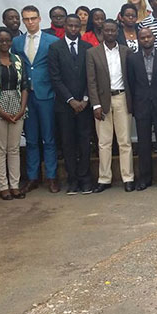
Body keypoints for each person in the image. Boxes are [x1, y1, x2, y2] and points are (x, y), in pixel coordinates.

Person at [12, 5, 60, 193]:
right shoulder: (17, 42)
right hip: (26, 96)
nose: (30, 22)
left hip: (46, 94)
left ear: (39, 19)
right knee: (31, 139)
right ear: (23, 21)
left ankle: (52, 176)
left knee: (49, 138)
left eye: (33, 18)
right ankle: (33, 177)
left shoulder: (52, 41)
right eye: (26, 19)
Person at [86, 19, 135, 193]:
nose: (110, 33)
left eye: (113, 30)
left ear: (117, 32)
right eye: (107, 30)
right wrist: (95, 105)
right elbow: (91, 81)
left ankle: (128, 177)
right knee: (104, 142)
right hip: (102, 101)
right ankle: (104, 179)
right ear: (102, 32)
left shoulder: (126, 51)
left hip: (122, 98)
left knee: (125, 141)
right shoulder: (92, 53)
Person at [48, 14, 94, 195]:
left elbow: (91, 76)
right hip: (64, 105)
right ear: (65, 26)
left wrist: (84, 99)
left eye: (77, 26)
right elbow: (55, 78)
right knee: (68, 143)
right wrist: (70, 100)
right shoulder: (55, 48)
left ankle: (85, 179)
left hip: (84, 104)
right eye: (70, 26)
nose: (74, 29)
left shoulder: (88, 48)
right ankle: (72, 180)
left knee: (84, 142)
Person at [0, 27, 29, 200]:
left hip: (17, 105)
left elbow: (24, 85)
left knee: (14, 148)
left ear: (11, 42)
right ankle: (3, 186)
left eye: (7, 40)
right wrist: (0, 111)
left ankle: (15, 185)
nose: (4, 43)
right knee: (0, 149)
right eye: (0, 40)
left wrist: (21, 109)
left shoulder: (18, 60)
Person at [127, 27, 157, 190]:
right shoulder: (132, 60)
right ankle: (144, 179)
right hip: (141, 105)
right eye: (142, 38)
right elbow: (131, 84)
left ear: (154, 38)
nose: (146, 40)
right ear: (138, 40)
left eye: (148, 37)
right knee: (143, 143)